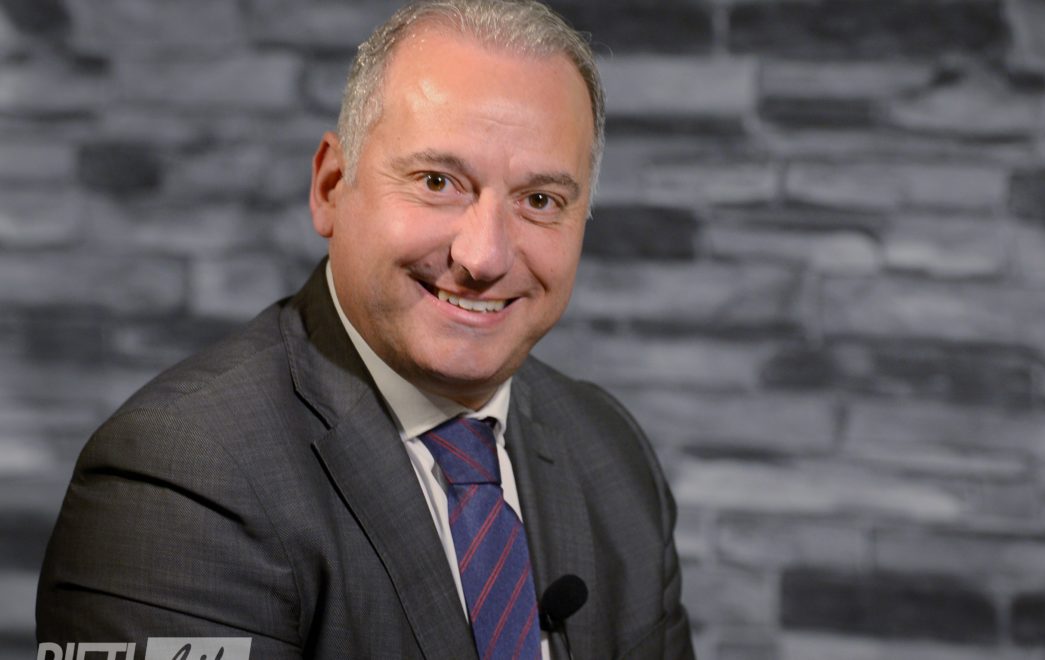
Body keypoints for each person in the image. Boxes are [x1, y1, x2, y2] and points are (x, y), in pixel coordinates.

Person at [36, 1, 693, 658]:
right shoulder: (183, 478)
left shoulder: (611, 454)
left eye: (540, 200)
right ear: (331, 186)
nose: (485, 256)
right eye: (438, 181)